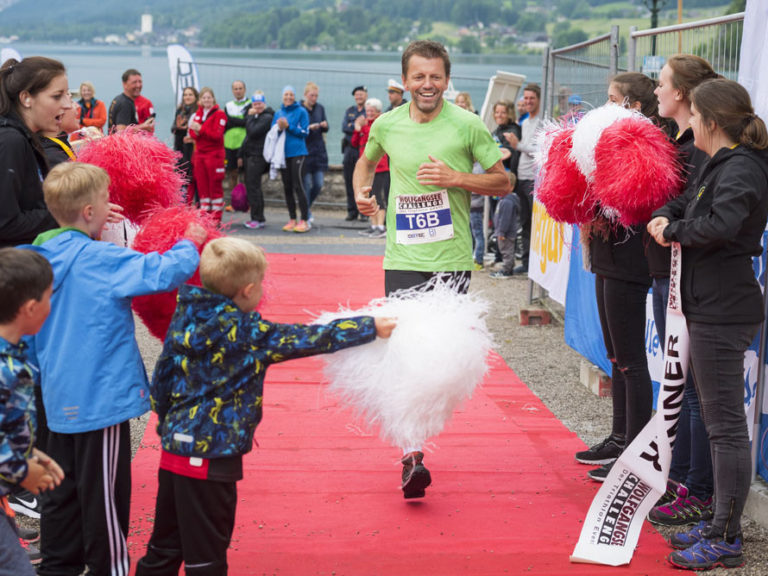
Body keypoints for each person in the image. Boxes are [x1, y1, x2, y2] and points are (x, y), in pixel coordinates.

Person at [135, 236, 396, 575]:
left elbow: (163, 379)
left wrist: (167, 427)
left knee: (163, 548)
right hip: (212, 457)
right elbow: (307, 338)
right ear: (247, 290)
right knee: (206, 558)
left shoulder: (184, 316)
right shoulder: (248, 332)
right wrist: (368, 327)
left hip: (173, 454)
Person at [28, 161, 206, 576]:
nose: (111, 207)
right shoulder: (102, 258)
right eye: (106, 200)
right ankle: (110, 568)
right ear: (89, 212)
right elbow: (161, 272)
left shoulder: (35, 257)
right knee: (104, 498)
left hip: (55, 396)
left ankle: (58, 566)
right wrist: (190, 242)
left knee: (59, 490)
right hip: (100, 401)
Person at [353, 40, 510, 499]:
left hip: (452, 259)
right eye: (418, 77)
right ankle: (412, 453)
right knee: (403, 354)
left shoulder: (466, 124)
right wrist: (363, 195)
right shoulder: (386, 124)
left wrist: (458, 178)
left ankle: (419, 433)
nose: (427, 85)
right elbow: (366, 164)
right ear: (404, 81)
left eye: (435, 77)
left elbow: (504, 181)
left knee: (439, 360)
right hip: (402, 257)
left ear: (447, 79)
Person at [648, 79, 768, 571]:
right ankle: (719, 522)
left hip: (724, 307)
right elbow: (688, 205)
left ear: (713, 121)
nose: (689, 123)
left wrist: (671, 231)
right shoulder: (719, 163)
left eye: (694, 116)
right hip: (710, 303)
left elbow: (718, 225)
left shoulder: (742, 167)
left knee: (725, 431)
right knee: (721, 426)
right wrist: (664, 217)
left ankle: (728, 537)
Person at [574, 73, 658, 483]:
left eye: (613, 99)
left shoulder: (646, 144)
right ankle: (620, 435)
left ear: (634, 107)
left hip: (630, 263)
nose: (605, 106)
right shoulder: (608, 139)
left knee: (630, 360)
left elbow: (636, 203)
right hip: (606, 258)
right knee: (614, 357)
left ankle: (634, 453)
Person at [646, 54, 719, 528]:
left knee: (692, 391)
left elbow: (700, 214)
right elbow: (677, 203)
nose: (656, 91)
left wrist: (668, 222)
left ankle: (697, 486)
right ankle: (685, 478)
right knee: (682, 387)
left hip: (689, 279)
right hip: (668, 273)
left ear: (683, 94)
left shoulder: (700, 148)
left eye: (662, 83)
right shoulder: (681, 140)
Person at [0, 248, 64, 576]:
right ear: (30, 308)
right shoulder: (6, 368)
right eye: (50, 297)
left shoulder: (13, 355)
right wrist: (23, 471)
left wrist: (32, 453)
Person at [0, 56, 64, 249]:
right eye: (57, 96)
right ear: (26, 98)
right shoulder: (11, 141)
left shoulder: (22, 137)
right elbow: (5, 223)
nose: (68, 105)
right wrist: (69, 214)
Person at [505, 83, 542, 274]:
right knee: (524, 223)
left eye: (531, 98)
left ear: (538, 99)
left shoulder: (542, 122)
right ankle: (527, 263)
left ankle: (536, 264)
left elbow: (540, 150)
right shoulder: (525, 122)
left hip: (534, 180)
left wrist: (518, 145)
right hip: (521, 178)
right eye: (525, 98)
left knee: (535, 223)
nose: (528, 102)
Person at [273, 84, 310, 233]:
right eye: (286, 95)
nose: (288, 97)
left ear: (295, 96)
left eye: (291, 95)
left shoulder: (301, 111)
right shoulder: (278, 113)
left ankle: (305, 220)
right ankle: (292, 219)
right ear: (282, 97)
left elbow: (305, 132)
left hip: (298, 153)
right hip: (283, 155)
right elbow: (273, 132)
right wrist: (279, 128)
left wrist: (289, 126)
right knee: (287, 187)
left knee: (298, 186)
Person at [188, 87, 228, 224]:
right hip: (200, 155)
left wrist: (201, 129)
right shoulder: (198, 114)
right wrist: (197, 131)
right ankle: (205, 215)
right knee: (202, 186)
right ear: (200, 100)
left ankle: (216, 217)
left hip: (214, 155)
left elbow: (217, 135)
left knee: (215, 187)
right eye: (204, 97)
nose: (206, 100)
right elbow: (192, 133)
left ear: (213, 99)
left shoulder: (220, 115)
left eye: (209, 97)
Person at [352, 98, 388, 239]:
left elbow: (373, 142)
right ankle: (373, 225)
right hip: (366, 167)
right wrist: (357, 129)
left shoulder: (378, 125)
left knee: (378, 197)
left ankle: (380, 226)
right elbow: (354, 143)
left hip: (380, 167)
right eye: (367, 111)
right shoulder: (365, 125)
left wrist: (364, 128)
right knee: (369, 196)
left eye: (372, 111)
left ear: (378, 112)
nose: (369, 114)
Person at [241, 91, 274, 230]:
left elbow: (252, 131)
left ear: (264, 104)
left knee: (254, 188)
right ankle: (257, 217)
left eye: (260, 104)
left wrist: (249, 117)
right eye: (255, 104)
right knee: (252, 187)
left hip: (258, 156)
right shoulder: (255, 116)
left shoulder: (266, 117)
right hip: (250, 154)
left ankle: (258, 218)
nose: (257, 106)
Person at [302, 81, 329, 222]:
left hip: (318, 151)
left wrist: (324, 125)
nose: (314, 98)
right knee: (305, 185)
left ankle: (305, 207)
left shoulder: (320, 108)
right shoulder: (300, 109)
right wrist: (308, 128)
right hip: (304, 152)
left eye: (316, 95)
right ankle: (305, 214)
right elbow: (297, 127)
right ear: (305, 95)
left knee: (318, 184)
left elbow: (326, 126)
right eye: (312, 95)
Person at [342, 85, 368, 221]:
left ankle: (363, 212)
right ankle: (352, 211)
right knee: (349, 181)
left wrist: (356, 126)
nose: (359, 97)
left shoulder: (368, 110)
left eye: (361, 94)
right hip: (349, 150)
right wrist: (356, 126)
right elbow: (344, 127)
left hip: (362, 150)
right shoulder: (349, 110)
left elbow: (367, 127)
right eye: (357, 95)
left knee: (363, 182)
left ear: (366, 95)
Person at [489, 172, 520, 279]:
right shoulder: (504, 200)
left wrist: (501, 232)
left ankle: (507, 270)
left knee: (507, 251)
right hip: (504, 232)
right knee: (506, 251)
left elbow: (505, 219)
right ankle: (508, 267)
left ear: (511, 187)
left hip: (506, 233)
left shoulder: (507, 201)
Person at [171, 86, 199, 204]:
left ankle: (196, 204)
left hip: (191, 150)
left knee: (192, 179)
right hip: (180, 150)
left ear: (195, 97)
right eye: (185, 95)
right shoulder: (180, 110)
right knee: (181, 179)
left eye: (190, 94)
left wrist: (186, 128)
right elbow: (172, 128)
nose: (187, 97)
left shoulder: (197, 112)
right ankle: (183, 205)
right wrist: (178, 127)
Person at [223, 80, 250, 195]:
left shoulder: (250, 104)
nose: (238, 91)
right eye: (236, 89)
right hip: (229, 144)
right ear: (232, 91)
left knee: (245, 173)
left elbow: (246, 122)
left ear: (244, 90)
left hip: (244, 144)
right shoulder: (228, 105)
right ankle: (233, 200)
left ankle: (246, 201)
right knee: (232, 172)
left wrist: (231, 120)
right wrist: (240, 120)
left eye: (240, 88)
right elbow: (225, 123)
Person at [492, 100, 521, 174]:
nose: (499, 115)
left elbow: (508, 153)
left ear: (510, 114)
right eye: (497, 112)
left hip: (508, 174)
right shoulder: (497, 130)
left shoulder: (513, 131)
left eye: (503, 113)